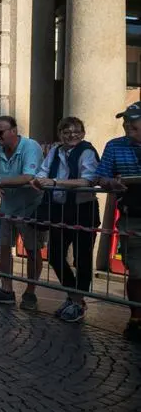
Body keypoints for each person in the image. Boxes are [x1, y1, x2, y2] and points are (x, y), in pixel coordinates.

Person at [31, 117, 99, 323]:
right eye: (67, 132)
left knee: (82, 257)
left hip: (82, 209)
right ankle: (74, 297)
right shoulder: (55, 151)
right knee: (55, 254)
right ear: (60, 134)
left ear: (83, 133)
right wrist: (38, 180)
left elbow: (88, 180)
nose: (72, 136)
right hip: (59, 209)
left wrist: (54, 182)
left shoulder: (87, 151)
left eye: (76, 131)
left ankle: (77, 302)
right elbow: (42, 172)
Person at [0, 116, 45, 308]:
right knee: (1, 246)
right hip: (8, 206)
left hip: (31, 207)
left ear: (13, 131)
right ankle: (6, 290)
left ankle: (30, 292)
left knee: (33, 250)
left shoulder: (30, 146)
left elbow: (28, 176)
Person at [94, 103, 141, 341]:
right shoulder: (114, 146)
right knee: (136, 270)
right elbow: (100, 175)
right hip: (132, 215)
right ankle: (135, 318)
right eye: (125, 124)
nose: (127, 128)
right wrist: (110, 183)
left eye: (133, 125)